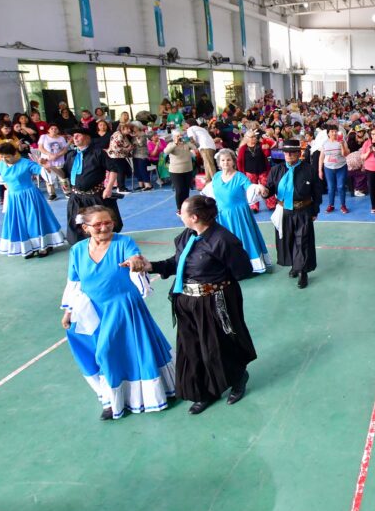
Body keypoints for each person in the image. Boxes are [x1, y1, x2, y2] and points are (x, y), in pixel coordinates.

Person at [138, 195, 257, 414]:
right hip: (187, 302)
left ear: (193, 217)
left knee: (221, 345)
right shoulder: (186, 236)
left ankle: (238, 377)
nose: (178, 215)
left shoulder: (223, 240)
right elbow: (178, 263)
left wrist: (216, 288)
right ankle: (206, 391)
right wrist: (151, 266)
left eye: (180, 212)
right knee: (193, 348)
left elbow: (243, 271)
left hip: (215, 302)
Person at [60, 206, 175, 420]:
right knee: (92, 352)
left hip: (122, 306)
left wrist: (135, 262)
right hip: (91, 309)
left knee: (106, 351)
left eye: (108, 223)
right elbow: (74, 283)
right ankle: (109, 396)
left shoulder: (124, 242)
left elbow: (134, 257)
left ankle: (113, 403)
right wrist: (69, 311)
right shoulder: (77, 250)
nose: (104, 227)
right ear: (85, 228)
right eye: (97, 224)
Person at [200, 148, 271, 274]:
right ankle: (229, 266)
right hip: (222, 216)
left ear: (233, 162)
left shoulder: (239, 176)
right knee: (225, 242)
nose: (225, 163)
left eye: (228, 160)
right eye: (222, 160)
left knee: (244, 239)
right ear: (219, 163)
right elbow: (209, 193)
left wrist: (259, 187)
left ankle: (249, 266)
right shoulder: (216, 177)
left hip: (239, 215)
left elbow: (250, 188)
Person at [266, 139, 323, 289]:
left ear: (299, 153)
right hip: (284, 211)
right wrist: (263, 191)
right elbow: (269, 189)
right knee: (288, 240)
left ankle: (303, 272)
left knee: (302, 241)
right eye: (286, 152)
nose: (289, 155)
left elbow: (317, 192)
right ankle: (295, 266)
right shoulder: (276, 170)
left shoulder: (309, 169)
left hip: (303, 211)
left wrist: (315, 210)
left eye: (292, 152)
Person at [0, 143, 66, 258]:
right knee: (20, 222)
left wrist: (46, 167)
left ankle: (44, 246)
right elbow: (3, 181)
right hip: (14, 198)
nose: (3, 159)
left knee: (35, 221)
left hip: (30, 196)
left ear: (14, 154)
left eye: (6, 156)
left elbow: (44, 174)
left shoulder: (26, 163)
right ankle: (27, 248)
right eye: (1, 156)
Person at [60, 128, 122, 246]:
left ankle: (103, 245)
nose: (75, 138)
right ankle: (82, 247)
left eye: (78, 135)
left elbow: (114, 169)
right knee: (77, 225)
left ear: (87, 137)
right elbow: (64, 174)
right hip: (77, 197)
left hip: (95, 195)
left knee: (100, 222)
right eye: (74, 136)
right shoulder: (71, 155)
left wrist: (108, 188)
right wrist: (50, 168)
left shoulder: (98, 153)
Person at [237, 128, 271, 213]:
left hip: (262, 170)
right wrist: (242, 173)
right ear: (247, 138)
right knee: (252, 189)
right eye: (252, 137)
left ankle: (271, 204)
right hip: (249, 172)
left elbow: (267, 154)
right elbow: (239, 162)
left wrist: (266, 147)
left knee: (266, 187)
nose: (254, 138)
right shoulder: (243, 149)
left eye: (255, 137)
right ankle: (254, 207)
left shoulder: (261, 145)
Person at [164, 130, 197, 213]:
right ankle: (179, 208)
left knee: (186, 189)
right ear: (174, 137)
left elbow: (195, 148)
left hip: (188, 169)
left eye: (181, 135)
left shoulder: (186, 144)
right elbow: (166, 151)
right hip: (176, 171)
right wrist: (175, 143)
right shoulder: (171, 144)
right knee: (179, 190)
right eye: (178, 136)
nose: (180, 137)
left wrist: (192, 142)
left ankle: (186, 206)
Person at [319, 123, 349, 214]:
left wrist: (342, 145)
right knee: (331, 187)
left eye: (336, 131)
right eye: (332, 131)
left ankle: (343, 205)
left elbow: (345, 154)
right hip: (328, 168)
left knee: (340, 186)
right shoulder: (324, 143)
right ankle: (331, 205)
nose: (334, 133)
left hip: (341, 167)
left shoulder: (342, 140)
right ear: (328, 133)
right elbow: (321, 157)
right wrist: (320, 170)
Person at [38, 123, 70, 200]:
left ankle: (67, 192)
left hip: (59, 160)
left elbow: (65, 149)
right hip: (47, 160)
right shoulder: (43, 137)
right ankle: (52, 194)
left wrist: (57, 155)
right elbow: (40, 148)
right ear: (48, 130)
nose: (54, 130)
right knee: (49, 178)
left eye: (55, 128)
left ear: (58, 130)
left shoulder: (61, 138)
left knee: (62, 177)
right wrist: (49, 154)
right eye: (52, 128)